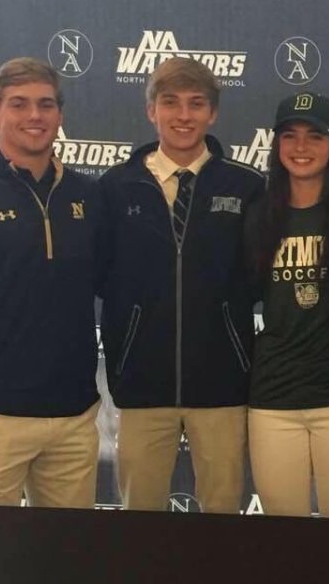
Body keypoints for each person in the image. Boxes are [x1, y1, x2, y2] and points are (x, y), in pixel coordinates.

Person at [98, 57, 265, 513]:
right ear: (151, 110)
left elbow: (260, 278)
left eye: (196, 104)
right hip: (141, 384)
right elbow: (98, 278)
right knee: (141, 518)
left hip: (223, 385)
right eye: (170, 103)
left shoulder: (248, 187)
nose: (183, 115)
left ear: (213, 113)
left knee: (222, 515)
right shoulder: (115, 189)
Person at [0, 58, 101, 512]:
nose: (34, 116)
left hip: (73, 417)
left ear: (60, 115)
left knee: (66, 560)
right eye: (18, 104)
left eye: (45, 104)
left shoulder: (90, 197)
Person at [244, 92, 329, 518]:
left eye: (315, 136)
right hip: (274, 398)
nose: (301, 147)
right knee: (282, 535)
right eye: (290, 135)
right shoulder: (258, 215)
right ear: (276, 146)